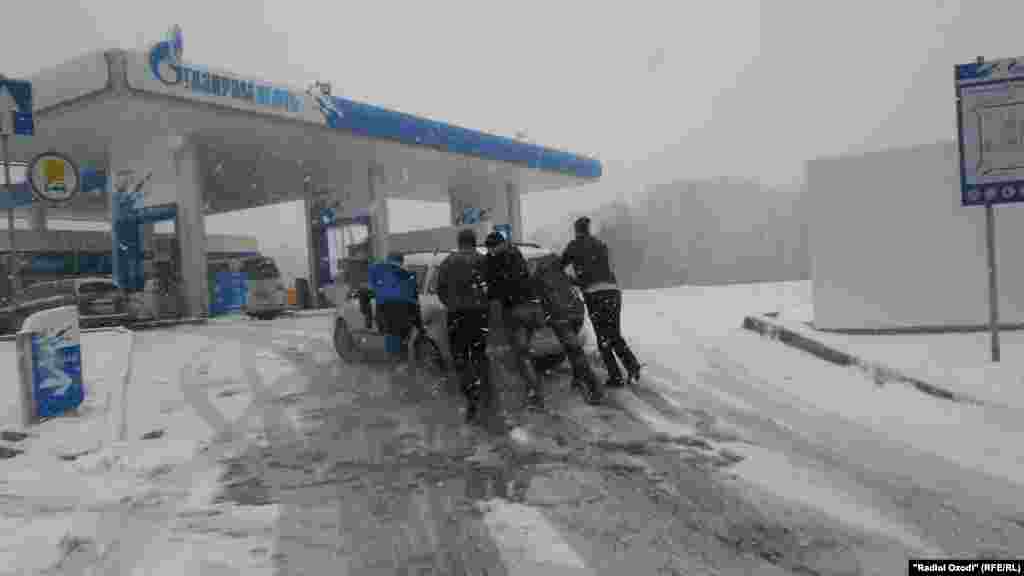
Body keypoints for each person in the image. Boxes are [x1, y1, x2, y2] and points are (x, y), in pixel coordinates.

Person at [560, 216, 642, 388]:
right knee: (614, 334)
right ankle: (632, 365)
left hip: (594, 295)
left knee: (603, 338)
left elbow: (561, 267)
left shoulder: (574, 246)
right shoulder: (600, 245)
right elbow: (605, 267)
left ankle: (615, 377)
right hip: (613, 292)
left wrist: (572, 280)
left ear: (576, 230)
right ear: (588, 229)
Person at [532, 253, 604, 405]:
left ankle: (593, 386)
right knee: (572, 349)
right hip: (576, 315)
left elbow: (530, 294)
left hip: (560, 318)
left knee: (575, 351)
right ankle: (579, 378)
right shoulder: (562, 276)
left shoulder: (538, 278)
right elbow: (579, 284)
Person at [436, 229, 492, 424]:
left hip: (457, 315)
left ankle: (470, 396)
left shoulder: (448, 261)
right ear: (474, 242)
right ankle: (485, 393)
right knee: (479, 353)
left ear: (459, 242)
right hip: (479, 315)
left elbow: (439, 289)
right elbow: (491, 286)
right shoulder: (484, 260)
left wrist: (452, 304)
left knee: (460, 356)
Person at [484, 231, 545, 410]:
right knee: (525, 352)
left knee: (522, 355)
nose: (490, 252)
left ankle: (535, 396)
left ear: (497, 246)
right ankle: (532, 388)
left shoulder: (499, 259)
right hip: (533, 308)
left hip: (517, 310)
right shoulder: (516, 254)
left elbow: (496, 286)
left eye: (491, 249)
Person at [368, 251, 421, 373]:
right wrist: (419, 325)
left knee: (393, 350)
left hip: (389, 322)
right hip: (402, 321)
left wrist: (376, 320)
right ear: (401, 262)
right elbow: (415, 303)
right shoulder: (407, 276)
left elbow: (376, 298)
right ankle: (401, 376)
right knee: (401, 351)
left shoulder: (379, 275)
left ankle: (396, 375)